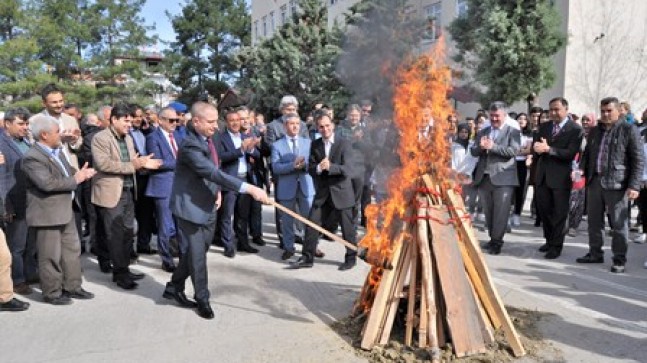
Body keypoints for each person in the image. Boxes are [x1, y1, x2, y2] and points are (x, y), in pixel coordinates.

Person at [162, 102, 268, 320]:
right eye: (210, 122)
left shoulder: (209, 139)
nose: (216, 126)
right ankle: (203, 299)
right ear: (196, 121)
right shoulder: (190, 145)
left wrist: (217, 191)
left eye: (216, 120)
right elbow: (210, 171)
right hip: (189, 208)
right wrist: (248, 188)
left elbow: (215, 170)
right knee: (198, 256)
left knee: (197, 251)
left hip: (209, 202)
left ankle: (173, 286)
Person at [22, 115, 96, 304]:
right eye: (57, 132)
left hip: (66, 209)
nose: (61, 135)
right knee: (50, 256)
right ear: (44, 135)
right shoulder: (32, 157)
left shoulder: (57, 150)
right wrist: (77, 179)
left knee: (72, 251)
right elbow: (47, 184)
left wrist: (80, 174)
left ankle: (73, 286)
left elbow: (66, 172)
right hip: (47, 214)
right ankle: (52, 292)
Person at [91, 103, 162, 289]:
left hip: (129, 191)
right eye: (126, 121)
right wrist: (136, 164)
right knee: (115, 234)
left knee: (128, 233)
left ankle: (123, 268)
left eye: (131, 121)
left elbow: (132, 162)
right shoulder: (101, 138)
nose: (129, 124)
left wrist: (143, 163)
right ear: (114, 120)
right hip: (110, 193)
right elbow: (104, 165)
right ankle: (120, 273)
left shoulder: (128, 139)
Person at [577, 97, 644, 273]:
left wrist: (634, 186)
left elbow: (638, 159)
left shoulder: (629, 130)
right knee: (594, 221)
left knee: (619, 224)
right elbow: (588, 154)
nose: (606, 114)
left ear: (618, 111)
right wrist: (581, 170)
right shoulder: (595, 131)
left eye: (609, 111)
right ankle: (595, 253)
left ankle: (619, 259)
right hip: (594, 181)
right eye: (603, 111)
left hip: (618, 183)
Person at [290, 110, 357, 270]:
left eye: (327, 126)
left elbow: (349, 169)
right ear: (317, 128)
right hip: (323, 194)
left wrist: (331, 167)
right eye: (321, 127)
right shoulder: (316, 144)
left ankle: (351, 258)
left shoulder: (344, 143)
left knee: (347, 228)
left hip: (342, 193)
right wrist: (319, 167)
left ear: (332, 125)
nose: (325, 129)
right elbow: (312, 169)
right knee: (312, 224)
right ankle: (307, 257)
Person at [532, 97, 584, 259]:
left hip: (560, 178)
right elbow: (536, 146)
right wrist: (537, 149)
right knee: (545, 211)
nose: (553, 113)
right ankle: (548, 240)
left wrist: (549, 149)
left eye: (557, 109)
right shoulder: (545, 126)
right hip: (542, 176)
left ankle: (556, 246)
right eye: (551, 110)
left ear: (566, 109)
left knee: (559, 213)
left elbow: (570, 153)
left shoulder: (575, 129)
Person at [470, 102, 521, 255]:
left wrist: (493, 147)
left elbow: (514, 151)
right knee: (489, 211)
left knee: (501, 212)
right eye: (491, 116)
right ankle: (492, 238)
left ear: (504, 116)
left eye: (497, 116)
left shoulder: (513, 132)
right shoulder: (484, 130)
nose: (494, 118)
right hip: (484, 178)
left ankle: (497, 241)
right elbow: (473, 151)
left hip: (503, 178)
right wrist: (481, 147)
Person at [0, 108, 37, 295]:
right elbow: (1, 178)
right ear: (7, 124)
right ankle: (17, 280)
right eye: (21, 124)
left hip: (31, 200)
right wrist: (6, 205)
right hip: (13, 201)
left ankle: (30, 273)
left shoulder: (26, 142)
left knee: (31, 242)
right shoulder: (1, 144)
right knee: (17, 245)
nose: (25, 127)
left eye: (27, 124)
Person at [216, 109, 263, 257]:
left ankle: (243, 243)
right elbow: (221, 157)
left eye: (238, 120)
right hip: (229, 180)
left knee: (242, 215)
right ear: (227, 122)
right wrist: (240, 149)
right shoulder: (221, 138)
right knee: (227, 215)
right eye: (232, 120)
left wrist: (251, 148)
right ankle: (228, 245)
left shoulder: (245, 136)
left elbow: (257, 155)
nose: (236, 123)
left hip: (245, 179)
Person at [271, 113, 315, 260]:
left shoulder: (307, 143)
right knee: (287, 221)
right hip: (286, 187)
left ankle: (311, 247)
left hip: (305, 186)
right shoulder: (277, 145)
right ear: (285, 126)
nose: (295, 126)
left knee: (309, 219)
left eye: (298, 123)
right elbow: (276, 168)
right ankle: (288, 247)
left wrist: (304, 165)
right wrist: (292, 165)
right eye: (292, 123)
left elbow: (313, 163)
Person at [145, 107, 182, 272]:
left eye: (176, 120)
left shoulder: (179, 136)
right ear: (160, 120)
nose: (175, 123)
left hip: (179, 186)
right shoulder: (153, 137)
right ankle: (166, 259)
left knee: (179, 223)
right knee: (165, 225)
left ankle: (178, 252)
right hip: (162, 187)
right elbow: (157, 162)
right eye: (171, 120)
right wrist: (181, 163)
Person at [511, 113, 533, 227]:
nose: (522, 120)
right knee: (509, 190)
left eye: (524, 119)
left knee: (520, 190)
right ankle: (507, 214)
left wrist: (515, 151)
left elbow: (528, 150)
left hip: (521, 164)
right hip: (510, 163)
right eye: (520, 118)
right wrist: (519, 150)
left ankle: (516, 215)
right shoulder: (511, 132)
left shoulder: (529, 134)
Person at [451, 123, 478, 210]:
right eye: (461, 132)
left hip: (467, 176)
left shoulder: (472, 145)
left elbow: (474, 159)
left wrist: (467, 173)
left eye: (466, 132)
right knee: (454, 198)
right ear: (458, 133)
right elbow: (451, 160)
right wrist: (455, 173)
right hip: (455, 176)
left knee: (464, 198)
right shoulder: (453, 145)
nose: (463, 134)